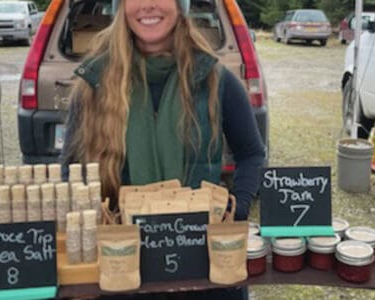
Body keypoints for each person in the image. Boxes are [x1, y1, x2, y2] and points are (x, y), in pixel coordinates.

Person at [61, 0, 264, 297]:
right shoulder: (95, 81)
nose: (147, 5)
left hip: (204, 271)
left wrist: (236, 210)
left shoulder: (214, 78)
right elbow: (71, 169)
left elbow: (251, 154)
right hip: (122, 270)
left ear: (181, 6)